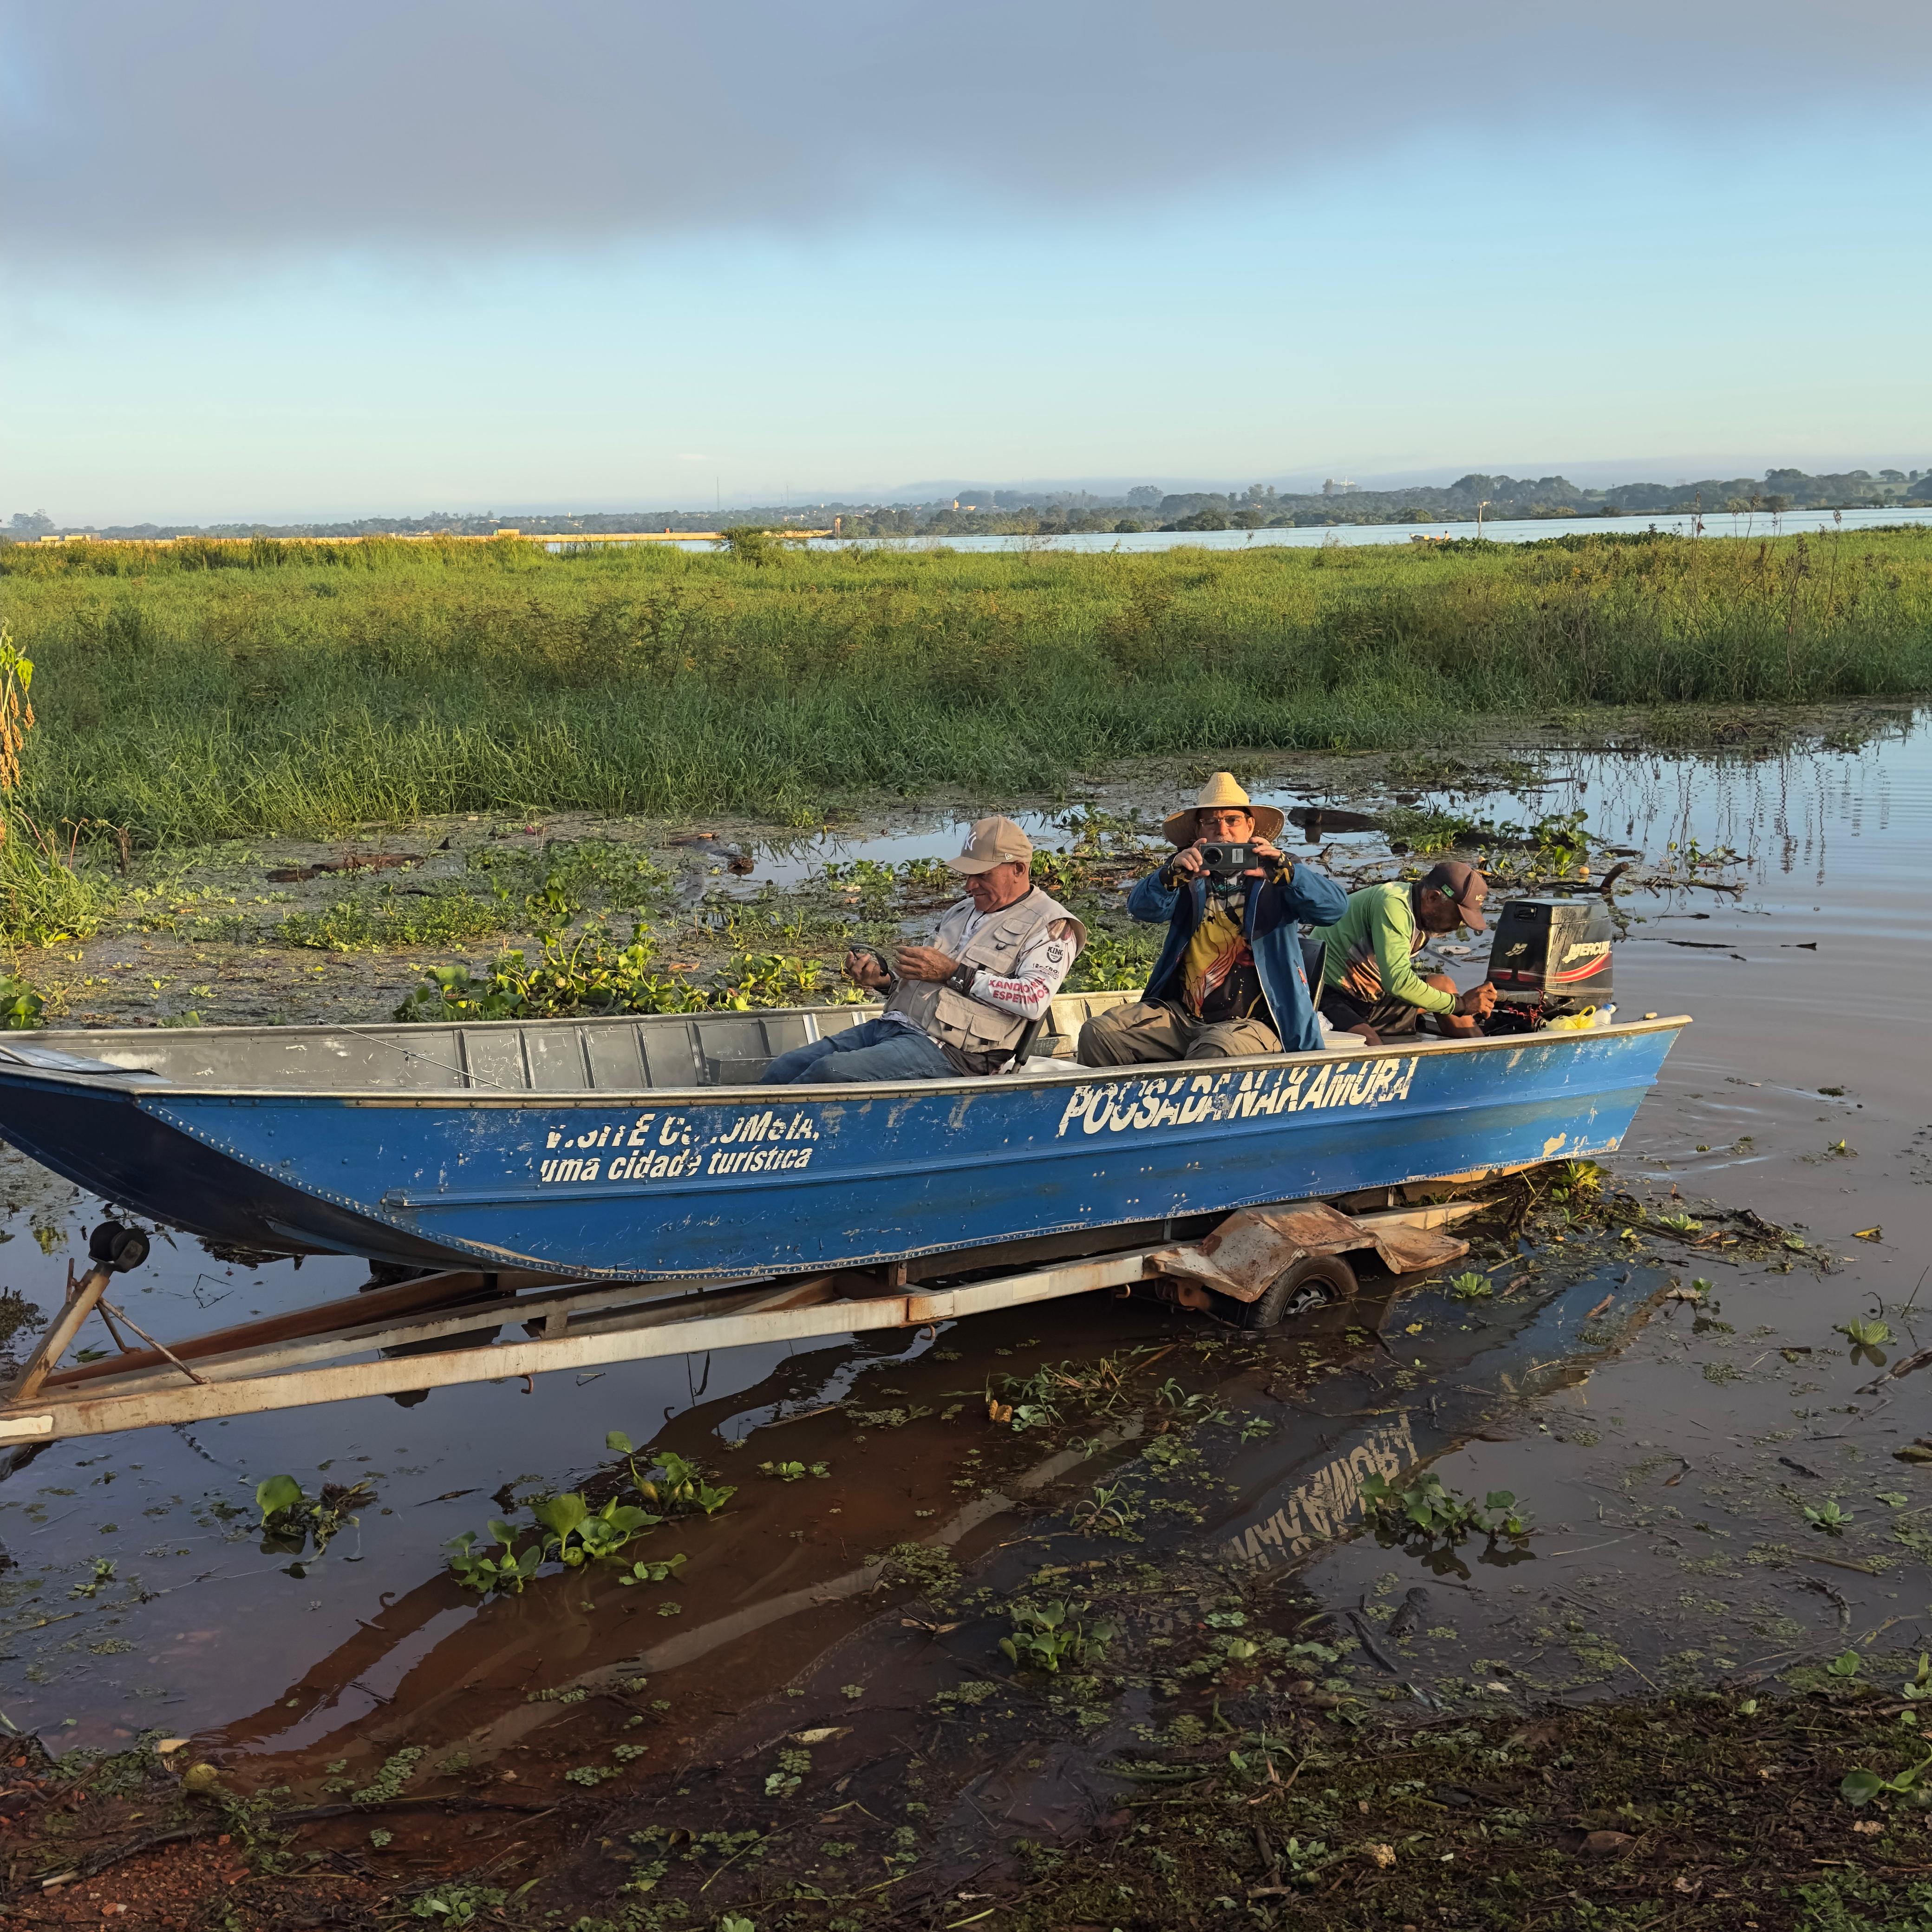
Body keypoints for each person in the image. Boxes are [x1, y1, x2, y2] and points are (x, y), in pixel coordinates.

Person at [761, 816, 1085, 1084]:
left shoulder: (1053, 927)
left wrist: (954, 973)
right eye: (968, 875)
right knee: (784, 1068)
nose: (969, 886)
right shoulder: (961, 912)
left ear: (1019, 870)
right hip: (895, 1027)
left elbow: (1033, 1000)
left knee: (828, 1074)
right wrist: (883, 982)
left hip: (955, 1054)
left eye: (982, 875)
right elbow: (933, 991)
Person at [1076, 772, 1348, 1065]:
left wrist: (1291, 876)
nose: (1223, 830)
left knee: (1214, 1050)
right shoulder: (1186, 872)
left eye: (1232, 820)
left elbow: (1334, 909)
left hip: (1257, 1023)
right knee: (1100, 1032)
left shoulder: (1278, 872)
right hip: (1182, 1017)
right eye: (1211, 822)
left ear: (1250, 826)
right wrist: (1168, 878)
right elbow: (1142, 910)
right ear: (1198, 831)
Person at [1315, 860, 1496, 1045]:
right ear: (1433, 898)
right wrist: (1461, 1005)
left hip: (1372, 996)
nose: (1458, 926)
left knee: (1443, 985)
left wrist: (1461, 1005)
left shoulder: (1421, 914)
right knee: (1370, 1045)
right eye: (1458, 916)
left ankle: (1485, 1053)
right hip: (1329, 994)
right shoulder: (1393, 905)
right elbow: (1398, 982)